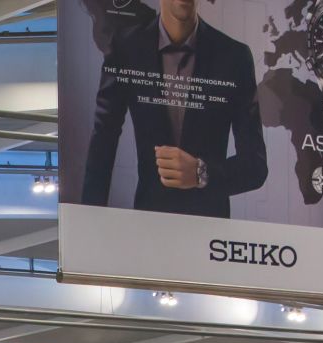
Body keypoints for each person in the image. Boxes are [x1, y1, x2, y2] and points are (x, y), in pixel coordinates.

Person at [76, 0, 268, 219]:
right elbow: (103, 140)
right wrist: (89, 221)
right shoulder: (126, 48)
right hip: (150, 220)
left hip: (210, 226)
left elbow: (256, 166)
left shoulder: (234, 56)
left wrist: (201, 173)